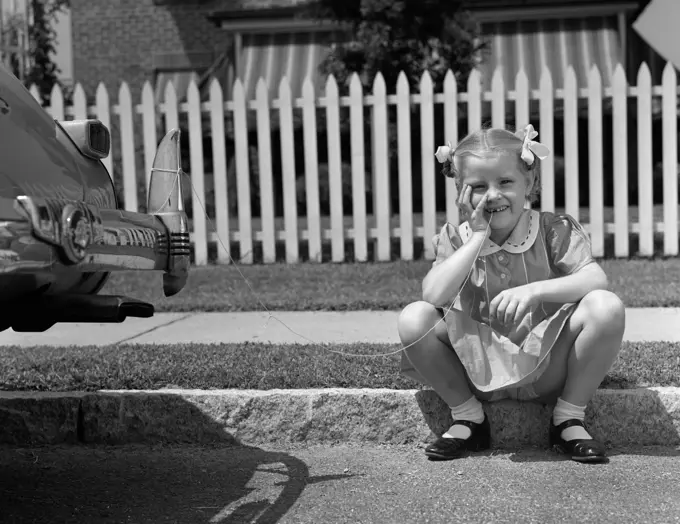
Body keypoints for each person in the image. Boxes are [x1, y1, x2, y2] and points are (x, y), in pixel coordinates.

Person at [397, 125, 625, 463]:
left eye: (505, 182)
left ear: (529, 183)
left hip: (547, 367)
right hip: (477, 371)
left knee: (606, 307)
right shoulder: (457, 239)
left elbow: (595, 278)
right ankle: (468, 417)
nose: (492, 195)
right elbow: (432, 294)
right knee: (414, 317)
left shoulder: (551, 229)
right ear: (461, 191)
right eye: (477, 186)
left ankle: (568, 419)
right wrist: (476, 239)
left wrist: (536, 290)